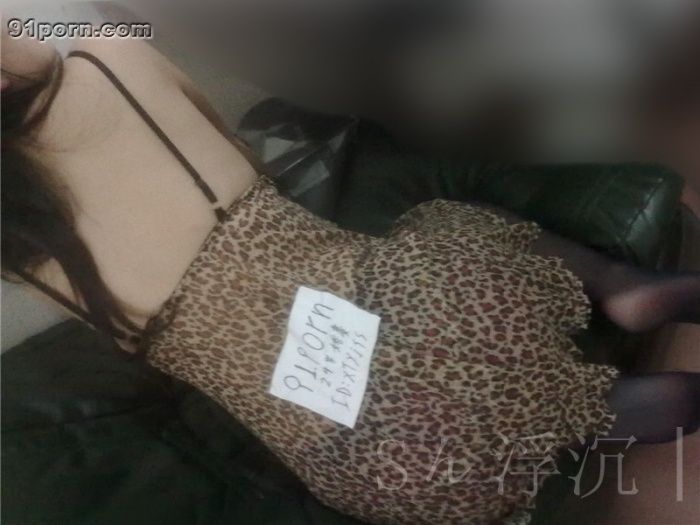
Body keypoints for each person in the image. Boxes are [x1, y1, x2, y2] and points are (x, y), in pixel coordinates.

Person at [2, 33, 699, 525]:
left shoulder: (13, 239)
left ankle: (590, 409)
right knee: (443, 220)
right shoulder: (108, 61)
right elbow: (235, 149)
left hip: (380, 467)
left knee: (520, 411)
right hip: (442, 311)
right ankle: (622, 288)